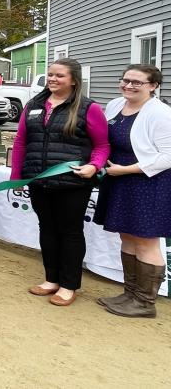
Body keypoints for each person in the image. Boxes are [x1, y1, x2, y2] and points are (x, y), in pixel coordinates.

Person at [10, 58, 109, 306]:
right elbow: (22, 141)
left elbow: (102, 145)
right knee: (47, 228)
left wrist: (94, 166)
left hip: (72, 182)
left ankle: (69, 284)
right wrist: (17, 177)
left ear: (73, 80)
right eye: (50, 74)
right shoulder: (34, 104)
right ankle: (51, 279)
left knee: (70, 232)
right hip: (38, 180)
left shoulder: (89, 108)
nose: (53, 79)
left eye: (59, 76)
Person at [94, 64, 171, 318]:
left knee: (146, 241)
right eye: (125, 80)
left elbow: (168, 156)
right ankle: (130, 294)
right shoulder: (117, 104)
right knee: (126, 236)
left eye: (136, 82)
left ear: (153, 86)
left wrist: (127, 170)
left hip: (148, 183)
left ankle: (145, 302)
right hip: (119, 180)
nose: (128, 85)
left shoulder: (161, 113)